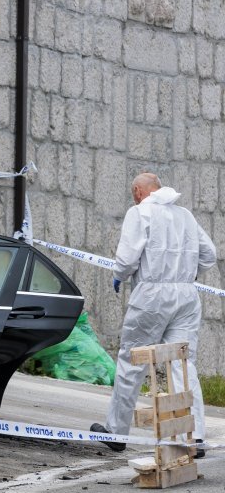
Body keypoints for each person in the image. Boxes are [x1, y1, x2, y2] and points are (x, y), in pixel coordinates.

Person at [92, 173, 216, 457]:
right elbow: (209, 254)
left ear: (138, 191)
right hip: (186, 296)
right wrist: (186, 274)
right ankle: (193, 436)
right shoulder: (185, 215)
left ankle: (116, 431)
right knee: (183, 364)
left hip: (151, 295)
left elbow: (126, 260)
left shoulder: (140, 212)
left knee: (132, 360)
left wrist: (120, 276)